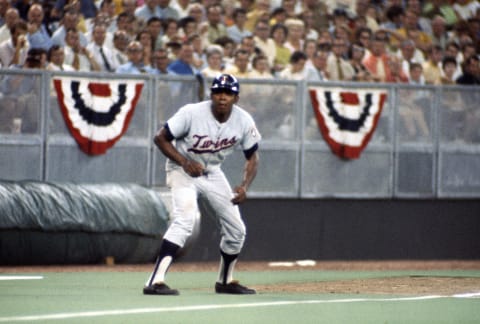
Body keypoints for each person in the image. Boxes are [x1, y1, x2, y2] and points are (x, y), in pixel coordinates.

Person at [143, 73, 261, 296]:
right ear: (211, 94)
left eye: (228, 93)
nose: (222, 97)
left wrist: (245, 185)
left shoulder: (244, 120)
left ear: (236, 98)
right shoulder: (191, 112)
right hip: (182, 170)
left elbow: (253, 156)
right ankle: (155, 281)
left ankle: (225, 281)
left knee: (237, 229)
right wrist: (185, 162)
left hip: (213, 172)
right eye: (218, 92)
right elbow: (161, 137)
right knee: (185, 219)